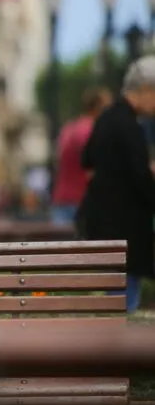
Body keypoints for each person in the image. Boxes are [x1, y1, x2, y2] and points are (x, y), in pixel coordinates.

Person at [80, 57, 155, 313]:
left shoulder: (107, 117)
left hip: (105, 227)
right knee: (124, 308)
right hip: (127, 232)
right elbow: (139, 179)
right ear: (145, 89)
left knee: (116, 300)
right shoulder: (129, 125)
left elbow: (87, 159)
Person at [50, 86, 112, 225]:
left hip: (61, 200)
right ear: (98, 107)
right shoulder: (91, 130)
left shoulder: (69, 128)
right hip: (82, 203)